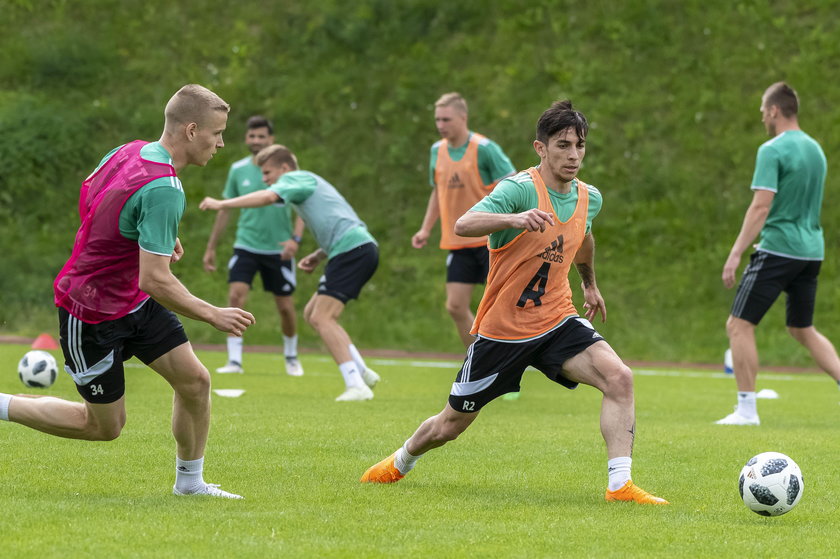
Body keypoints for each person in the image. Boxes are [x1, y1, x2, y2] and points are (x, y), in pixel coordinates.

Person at [360, 100, 668, 505]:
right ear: (540, 148)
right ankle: (402, 460)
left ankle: (619, 486)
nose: (573, 155)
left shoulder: (589, 197)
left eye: (579, 145)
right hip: (503, 332)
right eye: (562, 145)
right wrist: (515, 218)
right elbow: (463, 224)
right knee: (450, 425)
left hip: (557, 318)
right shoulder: (519, 189)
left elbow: (584, 236)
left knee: (619, 378)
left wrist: (589, 284)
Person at [0, 84, 254, 499]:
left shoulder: (129, 150)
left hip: (132, 303)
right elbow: (153, 279)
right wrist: (213, 313)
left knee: (195, 382)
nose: (221, 143)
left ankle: (190, 484)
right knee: (102, 427)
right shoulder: (165, 190)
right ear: (192, 130)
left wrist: (146, 236)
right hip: (90, 311)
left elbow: (91, 196)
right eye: (217, 133)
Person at [200, 145, 380, 402]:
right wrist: (319, 255)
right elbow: (340, 219)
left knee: (322, 317)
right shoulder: (307, 183)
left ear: (285, 169)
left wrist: (222, 203)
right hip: (354, 248)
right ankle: (362, 372)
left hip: (353, 250)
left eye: (267, 172)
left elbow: (265, 198)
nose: (264, 179)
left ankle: (355, 384)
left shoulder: (297, 178)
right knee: (312, 313)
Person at [717, 82, 840, 426]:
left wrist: (736, 252)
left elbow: (760, 207)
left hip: (778, 248)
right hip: (812, 251)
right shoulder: (816, 149)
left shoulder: (771, 150)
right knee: (802, 328)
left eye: (762, 112)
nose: (762, 119)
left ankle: (746, 410)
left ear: (773, 110)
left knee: (738, 325)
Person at [203, 115, 305, 377]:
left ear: (271, 139)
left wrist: (295, 240)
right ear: (247, 138)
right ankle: (234, 359)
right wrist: (211, 247)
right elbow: (225, 210)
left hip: (278, 249)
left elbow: (303, 207)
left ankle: (292, 357)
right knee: (236, 297)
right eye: (252, 136)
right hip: (246, 245)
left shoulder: (287, 171)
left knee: (285, 307)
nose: (256, 140)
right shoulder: (238, 170)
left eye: (262, 136)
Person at [412, 92, 516, 349]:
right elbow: (437, 191)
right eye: (437, 119)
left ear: (463, 117)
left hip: (489, 241)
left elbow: (514, 185)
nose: (440, 125)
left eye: (446, 119)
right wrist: (426, 229)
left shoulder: (484, 149)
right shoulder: (437, 150)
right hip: (458, 242)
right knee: (456, 306)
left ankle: (508, 366)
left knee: (499, 310)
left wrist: (511, 222)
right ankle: (480, 360)